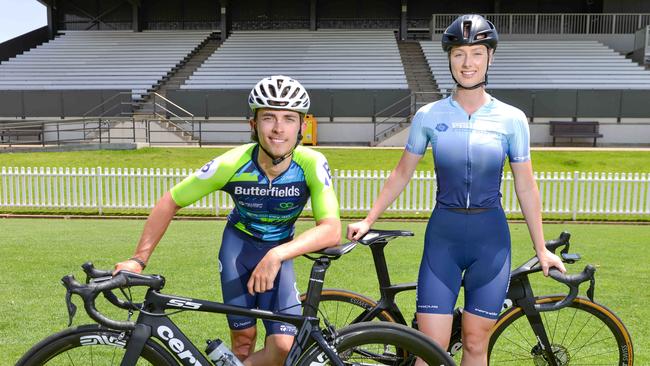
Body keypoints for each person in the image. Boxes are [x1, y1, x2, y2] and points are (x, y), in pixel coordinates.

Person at [347, 14, 566, 366]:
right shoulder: (428, 115)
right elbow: (401, 174)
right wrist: (368, 218)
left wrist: (541, 249)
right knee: (429, 349)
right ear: (449, 58)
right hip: (443, 239)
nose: (468, 63)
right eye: (460, 54)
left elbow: (526, 186)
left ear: (490, 58)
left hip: (490, 241)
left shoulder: (511, 119)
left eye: (477, 53)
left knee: (476, 345)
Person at [114, 75, 341, 365]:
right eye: (268, 117)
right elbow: (171, 200)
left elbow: (332, 230)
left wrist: (276, 255)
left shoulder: (311, 162)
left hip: (279, 251)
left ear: (301, 126)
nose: (278, 128)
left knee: (284, 347)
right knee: (243, 343)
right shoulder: (232, 163)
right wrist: (138, 260)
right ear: (253, 124)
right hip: (239, 251)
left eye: (288, 118)